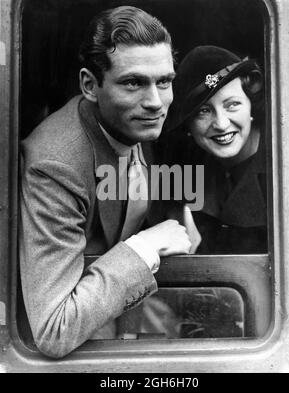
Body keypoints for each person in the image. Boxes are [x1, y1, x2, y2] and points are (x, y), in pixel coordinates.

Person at [19, 6, 192, 359]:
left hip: (130, 314)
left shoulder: (137, 118)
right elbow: (54, 329)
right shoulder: (56, 164)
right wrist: (147, 246)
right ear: (90, 85)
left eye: (165, 81)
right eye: (133, 83)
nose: (156, 102)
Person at [164, 45, 267, 254]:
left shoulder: (285, 161)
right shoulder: (188, 167)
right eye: (203, 111)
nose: (220, 124)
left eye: (232, 105)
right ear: (188, 125)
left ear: (251, 106)